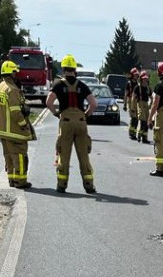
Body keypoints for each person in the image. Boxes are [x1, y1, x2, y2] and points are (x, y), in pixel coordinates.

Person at [46, 55, 97, 194]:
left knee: (64, 154)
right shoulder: (82, 85)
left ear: (63, 69)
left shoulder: (58, 85)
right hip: (81, 123)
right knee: (84, 155)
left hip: (66, 122)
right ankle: (89, 185)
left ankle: (62, 185)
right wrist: (85, 114)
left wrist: (56, 113)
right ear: (74, 69)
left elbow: (49, 102)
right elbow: (93, 104)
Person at [0, 60, 34, 189]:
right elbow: (15, 112)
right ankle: (20, 181)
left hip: (2, 130)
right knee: (20, 156)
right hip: (14, 130)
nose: (16, 74)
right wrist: (24, 125)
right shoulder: (13, 90)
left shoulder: (0, 87)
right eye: (15, 72)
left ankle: (11, 179)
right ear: (11, 73)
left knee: (9, 156)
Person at [132, 71, 152, 144]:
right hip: (140, 104)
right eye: (144, 79)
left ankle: (145, 138)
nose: (145, 80)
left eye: (146, 79)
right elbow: (133, 98)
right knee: (143, 121)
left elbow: (151, 97)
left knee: (147, 121)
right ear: (141, 79)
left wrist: (151, 104)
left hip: (146, 104)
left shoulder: (148, 88)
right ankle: (139, 134)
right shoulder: (137, 87)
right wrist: (132, 107)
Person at [123, 67, 140, 140]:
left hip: (136, 102)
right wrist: (124, 104)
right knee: (133, 118)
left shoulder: (137, 84)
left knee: (136, 118)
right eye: (135, 75)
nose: (136, 76)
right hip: (130, 101)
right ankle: (131, 133)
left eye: (137, 75)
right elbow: (126, 94)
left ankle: (134, 133)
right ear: (132, 75)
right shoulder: (129, 83)